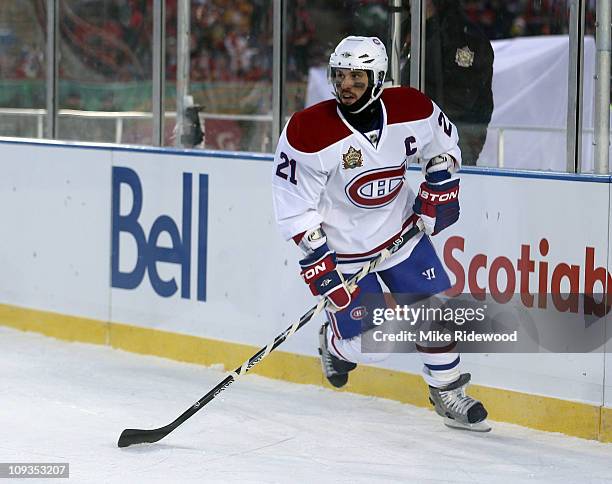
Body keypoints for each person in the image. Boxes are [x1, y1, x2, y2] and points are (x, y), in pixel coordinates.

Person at [272, 35, 490, 432]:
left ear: (378, 77)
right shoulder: (308, 131)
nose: (345, 85)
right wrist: (320, 263)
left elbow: (444, 147)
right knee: (375, 349)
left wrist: (440, 181)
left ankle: (447, 391)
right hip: (345, 252)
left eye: (357, 76)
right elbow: (293, 205)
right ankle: (335, 344)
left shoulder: (412, 108)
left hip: (401, 235)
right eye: (339, 75)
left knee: (434, 312)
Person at [401, 0, 494, 165]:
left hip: (456, 136)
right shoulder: (407, 28)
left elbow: (462, 96)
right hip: (414, 134)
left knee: (453, 186)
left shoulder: (463, 37)